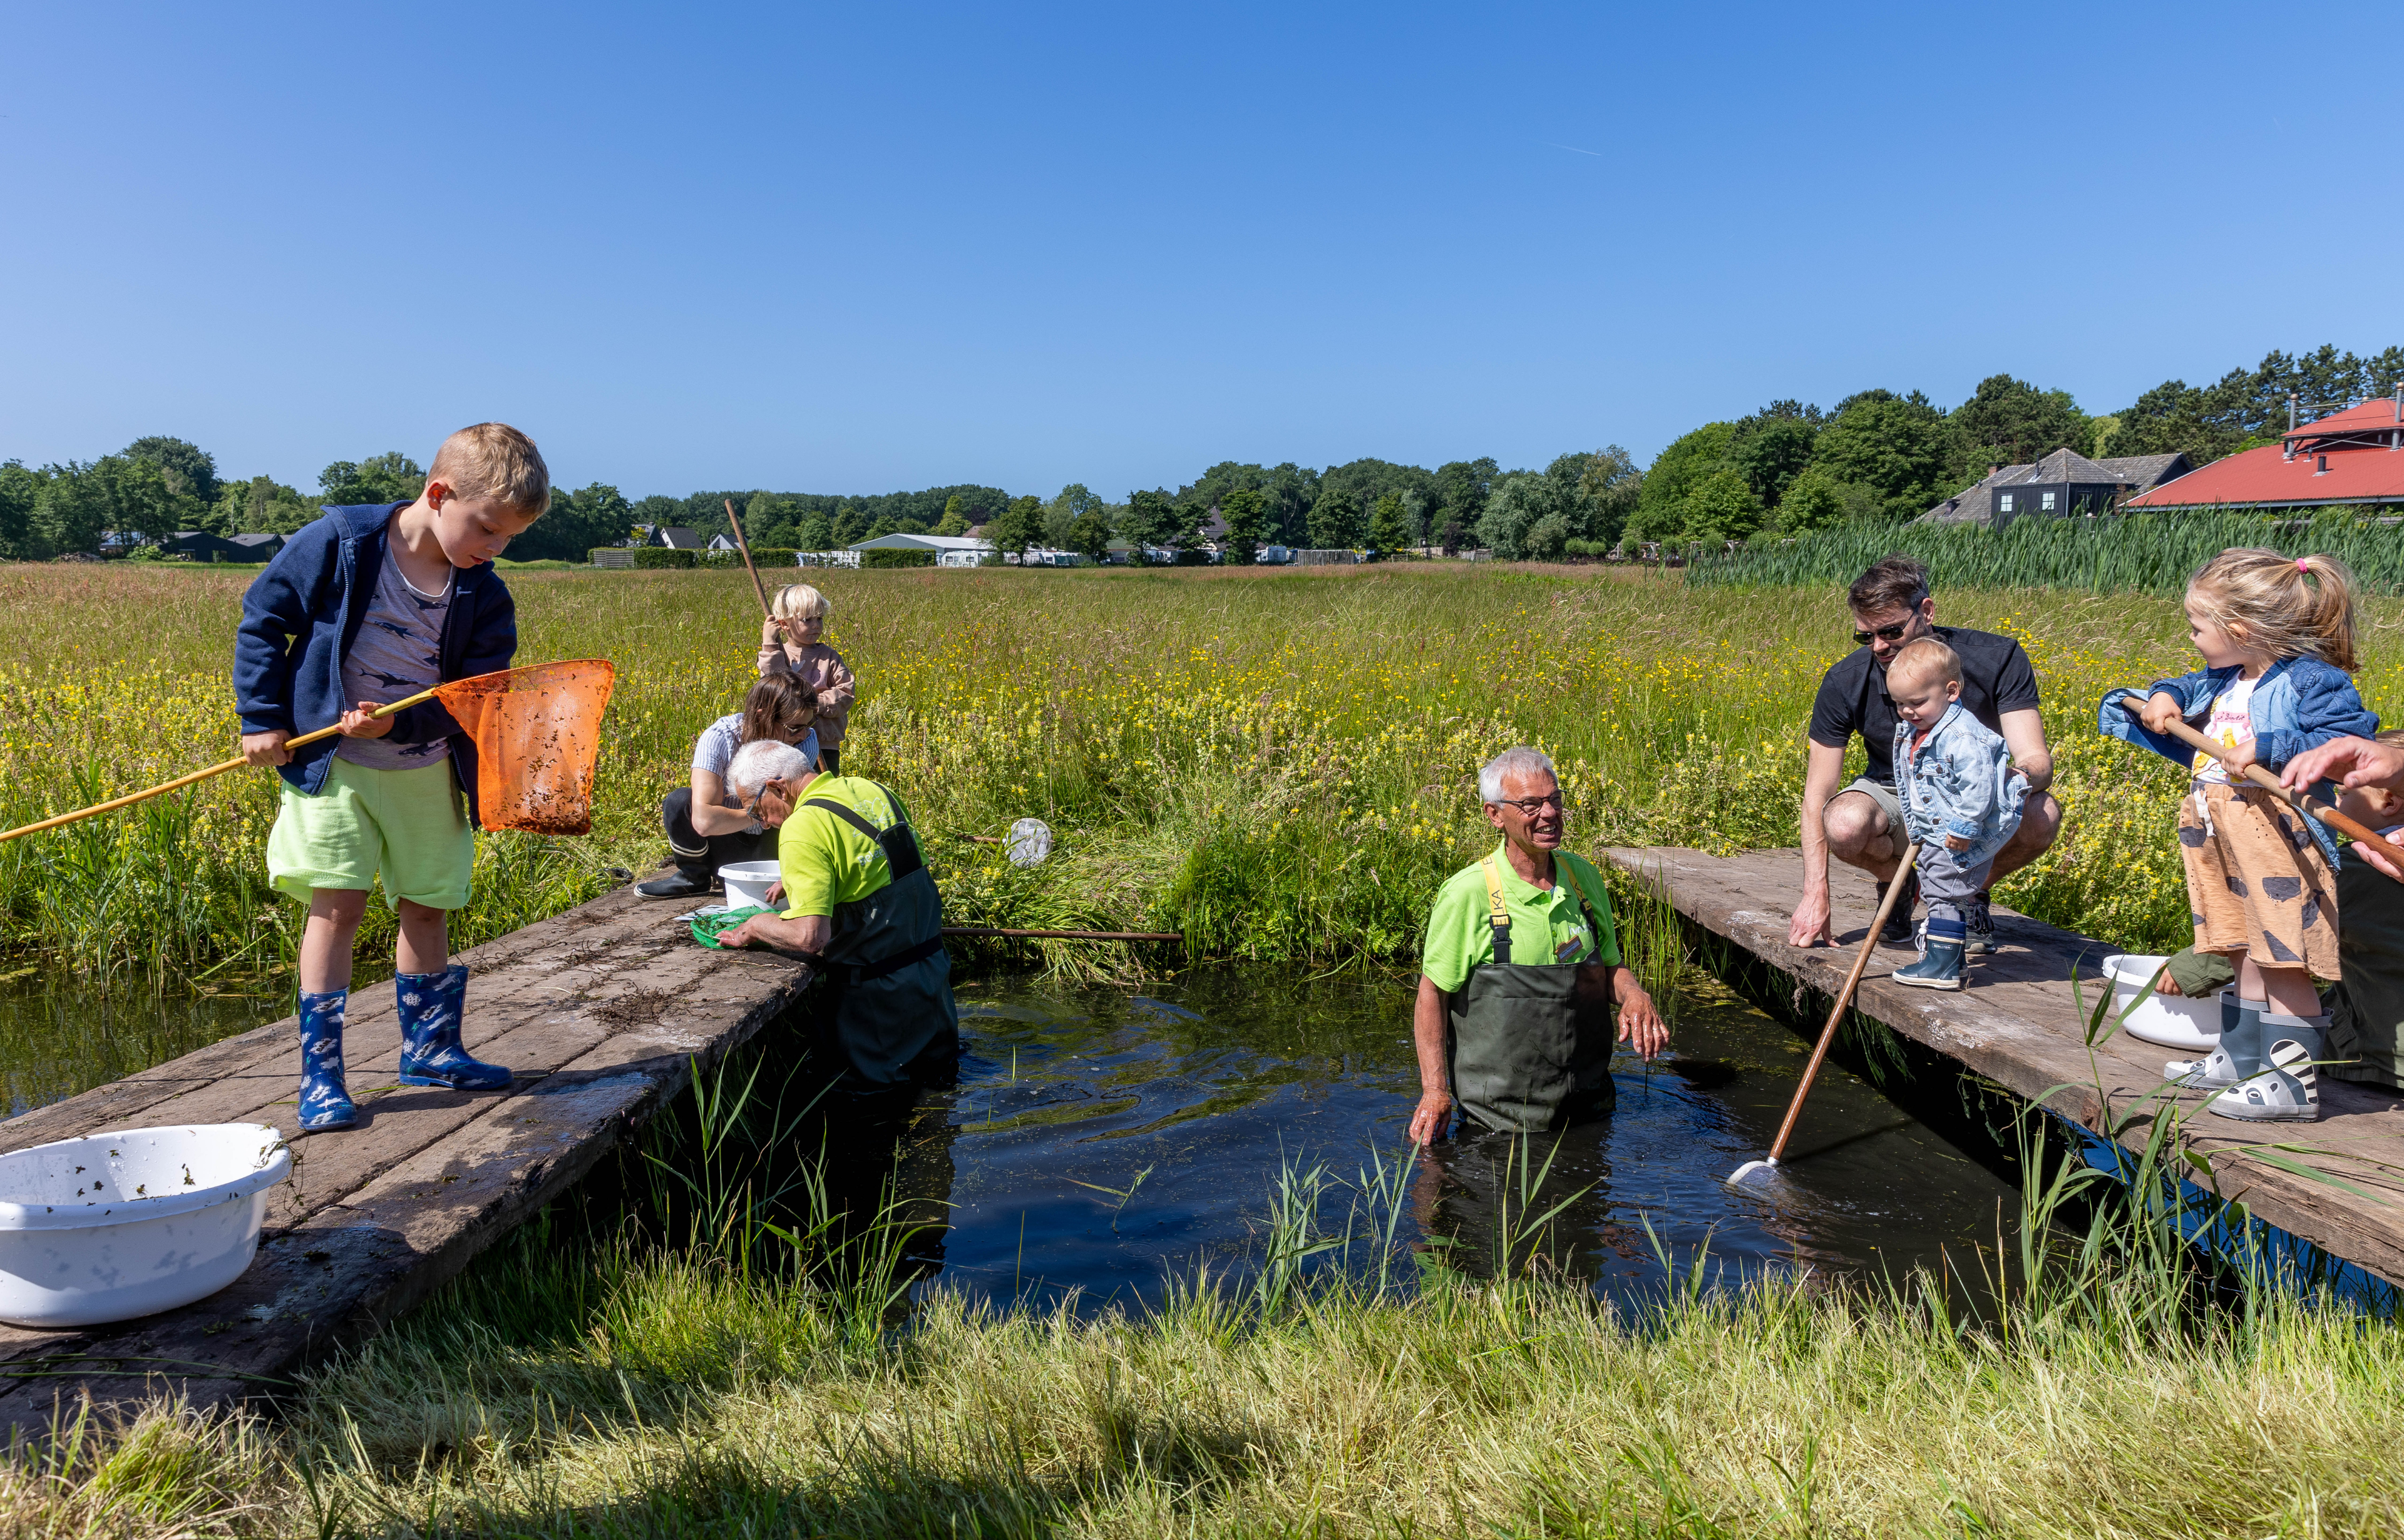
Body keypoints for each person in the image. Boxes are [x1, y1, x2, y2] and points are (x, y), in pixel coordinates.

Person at [234, 423, 548, 1133]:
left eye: (508, 540)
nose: (494, 550)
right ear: (439, 494)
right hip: (335, 768)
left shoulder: (486, 595)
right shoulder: (342, 543)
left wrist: (400, 727)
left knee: (428, 906)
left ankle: (431, 1050)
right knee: (337, 908)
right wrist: (261, 719)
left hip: (426, 770)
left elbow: (475, 695)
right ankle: (322, 1078)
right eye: (488, 530)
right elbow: (264, 619)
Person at [2100, 549, 2376, 1123]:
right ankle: (2242, 1058)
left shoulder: (2312, 680)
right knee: (2241, 944)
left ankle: (2291, 1085)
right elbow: (2186, 684)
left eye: (2197, 627)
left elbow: (2346, 738)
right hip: (2219, 827)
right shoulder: (2228, 675)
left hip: (2276, 836)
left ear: (2240, 630)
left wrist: (2272, 747)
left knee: (2281, 955)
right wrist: (2165, 695)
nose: (2192, 637)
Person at [1794, 556, 2060, 955]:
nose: (1879, 647)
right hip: (1895, 792)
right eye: (1865, 636)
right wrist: (1816, 890)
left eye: (1891, 631)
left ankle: (1968, 894)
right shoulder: (1845, 680)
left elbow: (2036, 760)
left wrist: (1997, 788)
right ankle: (1899, 882)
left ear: (1927, 612)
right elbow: (1819, 792)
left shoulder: (1997, 658)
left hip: (1976, 794)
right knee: (1843, 822)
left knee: (2042, 814)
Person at [1408, 746, 1668, 1144]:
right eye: (1530, 804)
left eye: (1555, 799)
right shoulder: (1468, 893)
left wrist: (1634, 994)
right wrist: (1434, 1091)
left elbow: (1611, 969)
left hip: (1589, 1112)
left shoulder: (1584, 880)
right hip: (1495, 1127)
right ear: (1494, 815)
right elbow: (1432, 993)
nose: (1549, 813)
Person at [712, 739, 957, 1096]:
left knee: (871, 1112)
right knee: (941, 1093)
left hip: (878, 1004)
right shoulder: (872, 790)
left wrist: (755, 926)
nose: (762, 823)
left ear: (777, 787)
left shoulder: (801, 828)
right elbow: (881, 867)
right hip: (932, 985)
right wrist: (805, 876)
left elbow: (811, 938)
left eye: (756, 809)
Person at [1885, 638, 2030, 991]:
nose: (1907, 711)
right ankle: (1954, 963)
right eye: (1900, 703)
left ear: (1952, 691)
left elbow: (1979, 789)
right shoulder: (1917, 730)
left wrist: (1964, 828)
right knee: (1939, 892)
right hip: (1934, 831)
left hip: (1955, 834)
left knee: (1943, 895)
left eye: (1917, 702)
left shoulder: (1963, 736)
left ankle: (1942, 966)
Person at [635, 674, 821, 900]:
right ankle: (694, 878)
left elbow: (804, 810)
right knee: (679, 802)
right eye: (794, 728)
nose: (803, 734)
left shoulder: (806, 741)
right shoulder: (721, 737)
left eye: (809, 724)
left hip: (772, 843)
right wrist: (763, 812)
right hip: (724, 842)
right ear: (762, 716)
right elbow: (705, 821)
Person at [758, 583, 856, 775]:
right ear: (784, 624)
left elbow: (846, 694)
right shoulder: (778, 653)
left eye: (819, 618)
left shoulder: (829, 656)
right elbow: (771, 685)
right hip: (787, 740)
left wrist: (811, 704)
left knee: (823, 793)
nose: (816, 625)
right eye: (807, 619)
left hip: (824, 742)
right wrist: (769, 643)